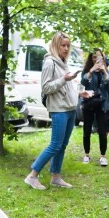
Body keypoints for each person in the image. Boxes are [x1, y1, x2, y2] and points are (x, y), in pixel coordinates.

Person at [24, 31, 86, 189]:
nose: (66, 48)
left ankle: (56, 176)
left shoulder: (64, 62)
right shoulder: (50, 62)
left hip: (70, 108)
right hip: (58, 109)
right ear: (55, 46)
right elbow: (46, 87)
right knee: (55, 144)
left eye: (67, 45)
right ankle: (32, 175)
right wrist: (64, 79)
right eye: (62, 45)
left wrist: (79, 93)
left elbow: (65, 87)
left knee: (63, 145)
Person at [80, 49, 109, 166]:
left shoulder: (105, 71)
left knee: (102, 131)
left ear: (103, 58)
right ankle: (86, 154)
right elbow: (83, 83)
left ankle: (103, 156)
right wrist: (91, 71)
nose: (97, 60)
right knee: (86, 130)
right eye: (94, 57)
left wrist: (105, 73)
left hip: (102, 104)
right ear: (90, 58)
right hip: (89, 103)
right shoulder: (87, 70)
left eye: (99, 57)